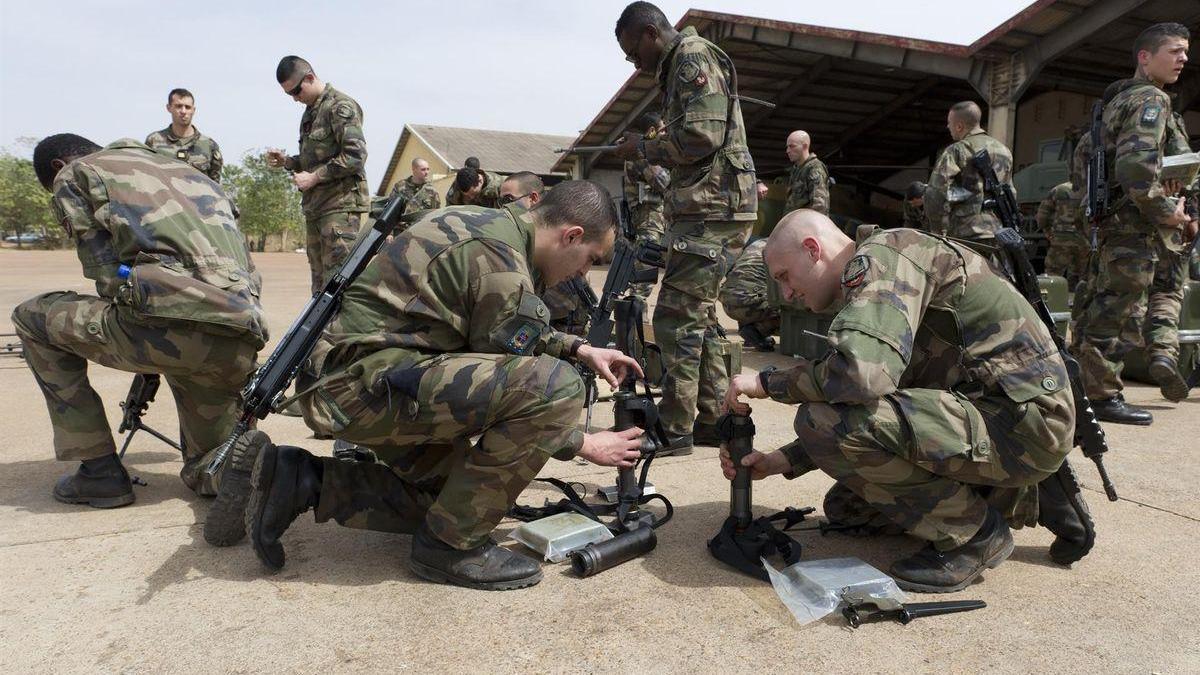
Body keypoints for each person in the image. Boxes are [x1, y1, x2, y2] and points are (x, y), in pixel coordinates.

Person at [232, 180, 646, 590]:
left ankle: (301, 480)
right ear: (571, 235)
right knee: (558, 387)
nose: (584, 272)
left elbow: (506, 328)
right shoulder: (498, 259)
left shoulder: (489, 228)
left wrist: (579, 348)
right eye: (590, 258)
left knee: (459, 502)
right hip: (364, 390)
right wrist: (584, 443)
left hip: (366, 380)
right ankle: (450, 548)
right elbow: (528, 389)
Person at [722, 210, 1082, 593]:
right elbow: (880, 394)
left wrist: (767, 382)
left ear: (812, 250)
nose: (788, 293)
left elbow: (861, 377)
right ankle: (1008, 494)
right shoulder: (878, 272)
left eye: (784, 277)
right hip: (994, 413)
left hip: (1021, 426)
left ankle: (974, 534)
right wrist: (781, 461)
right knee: (850, 507)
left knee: (818, 419)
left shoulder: (882, 257)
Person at [12, 134, 265, 531]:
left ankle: (99, 473)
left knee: (30, 317)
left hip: (165, 333)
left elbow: (108, 278)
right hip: (236, 337)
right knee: (211, 464)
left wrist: (147, 349)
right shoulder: (198, 176)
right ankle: (249, 474)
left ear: (58, 167)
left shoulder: (76, 175)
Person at [612, 1, 757, 454]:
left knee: (676, 318)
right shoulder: (680, 64)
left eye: (633, 51)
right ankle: (711, 418)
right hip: (711, 205)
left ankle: (675, 428)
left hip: (711, 207)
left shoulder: (691, 58)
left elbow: (702, 136)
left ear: (651, 33)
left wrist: (644, 148)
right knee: (700, 317)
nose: (634, 63)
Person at [1072, 22, 1196, 421]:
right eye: (1175, 50)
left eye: (1186, 51)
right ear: (1145, 57)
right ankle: (1102, 395)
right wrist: (1168, 211)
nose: (1184, 58)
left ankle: (1082, 389)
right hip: (1135, 226)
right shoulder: (1151, 100)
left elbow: (1084, 165)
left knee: (1098, 304)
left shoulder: (1113, 105)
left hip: (1113, 222)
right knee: (1121, 310)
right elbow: (1137, 170)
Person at [265, 56, 369, 294]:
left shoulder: (340, 107)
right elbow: (312, 160)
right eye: (288, 94)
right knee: (320, 285)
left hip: (339, 207)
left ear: (310, 78)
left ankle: (341, 332)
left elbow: (355, 156)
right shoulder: (310, 113)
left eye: (296, 91)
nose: (294, 98)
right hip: (316, 208)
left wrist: (313, 178)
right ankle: (322, 332)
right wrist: (288, 162)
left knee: (340, 284)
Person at [500, 173, 592, 336]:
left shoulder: (552, 246)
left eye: (508, 200)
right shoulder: (516, 238)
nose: (503, 207)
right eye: (500, 202)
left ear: (533, 199)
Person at [924, 101, 1014, 249]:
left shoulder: (957, 150)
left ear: (959, 126)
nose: (948, 127)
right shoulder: (1004, 150)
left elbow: (935, 193)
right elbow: (1010, 192)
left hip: (966, 234)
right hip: (998, 232)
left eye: (949, 123)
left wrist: (938, 231)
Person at [623, 113, 671, 301]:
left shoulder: (641, 153)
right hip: (648, 221)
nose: (666, 132)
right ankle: (634, 319)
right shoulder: (642, 155)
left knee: (641, 273)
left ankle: (635, 317)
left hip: (648, 219)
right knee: (643, 276)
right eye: (663, 129)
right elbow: (664, 181)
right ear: (651, 131)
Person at [144, 88, 223, 182]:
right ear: (169, 108)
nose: (183, 111)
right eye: (178, 106)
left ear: (193, 110)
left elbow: (215, 187)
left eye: (187, 107)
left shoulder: (209, 146)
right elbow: (146, 179)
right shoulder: (154, 141)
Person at [719, 239, 778, 352]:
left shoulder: (758, 243)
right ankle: (759, 329)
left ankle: (750, 329)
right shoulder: (789, 248)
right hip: (750, 301)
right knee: (793, 307)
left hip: (727, 301)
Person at [1036, 181, 1089, 288]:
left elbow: (1042, 216)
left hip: (1060, 239)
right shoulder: (1089, 189)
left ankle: (1053, 299)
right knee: (1084, 276)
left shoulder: (1058, 190)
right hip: (1084, 240)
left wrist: (1048, 232)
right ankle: (1078, 300)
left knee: (1053, 274)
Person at [784, 130, 829, 215]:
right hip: (795, 223)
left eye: (792, 146)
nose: (788, 151)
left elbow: (820, 206)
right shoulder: (796, 169)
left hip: (807, 225)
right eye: (787, 147)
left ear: (805, 146)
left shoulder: (814, 168)